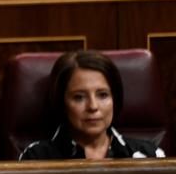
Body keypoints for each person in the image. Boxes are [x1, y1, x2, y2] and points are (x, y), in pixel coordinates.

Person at [19, 50, 165, 160]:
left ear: (115, 99)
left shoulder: (149, 155)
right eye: (79, 97)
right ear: (62, 102)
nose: (93, 107)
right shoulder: (37, 158)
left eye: (103, 95)